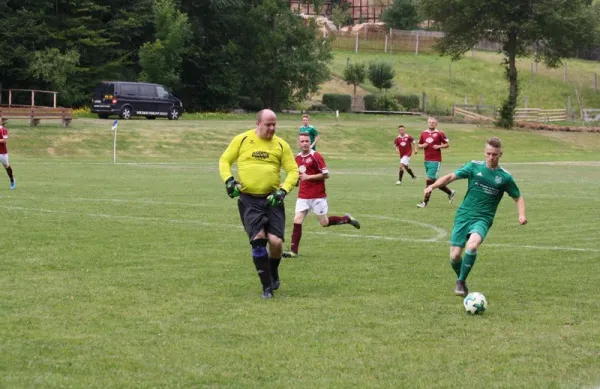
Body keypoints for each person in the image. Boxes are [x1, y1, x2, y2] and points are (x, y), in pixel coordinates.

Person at [424, 137, 527, 297]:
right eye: (488, 153)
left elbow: (518, 197)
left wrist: (521, 215)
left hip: (483, 218)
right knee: (455, 256)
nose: (491, 157)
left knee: (472, 246)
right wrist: (432, 186)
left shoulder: (504, 177)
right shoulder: (473, 167)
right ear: (484, 153)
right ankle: (462, 280)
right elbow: (451, 177)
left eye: (495, 154)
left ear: (501, 154)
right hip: (463, 215)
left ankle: (459, 283)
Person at [219, 109, 299, 299]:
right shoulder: (242, 140)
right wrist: (229, 180)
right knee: (258, 240)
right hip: (249, 200)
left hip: (272, 199)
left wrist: (283, 191)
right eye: (268, 124)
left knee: (276, 242)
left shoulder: (281, 145)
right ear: (258, 123)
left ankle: (273, 271)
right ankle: (267, 288)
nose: (272, 128)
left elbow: (293, 171)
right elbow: (224, 160)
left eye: (274, 124)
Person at [282, 133, 360, 258]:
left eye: (307, 141)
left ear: (310, 142)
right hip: (303, 196)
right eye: (302, 141)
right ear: (298, 143)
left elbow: (326, 174)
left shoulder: (315, 156)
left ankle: (346, 219)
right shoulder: (297, 158)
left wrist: (309, 177)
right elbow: (298, 178)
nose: (305, 143)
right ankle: (293, 251)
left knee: (324, 223)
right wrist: (287, 184)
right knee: (297, 220)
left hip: (317, 195)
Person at [417, 117, 455, 207]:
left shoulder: (439, 133)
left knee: (429, 181)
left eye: (433, 122)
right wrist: (422, 145)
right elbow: (419, 145)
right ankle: (450, 192)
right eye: (430, 122)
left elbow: (447, 144)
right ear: (427, 123)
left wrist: (439, 146)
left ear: (436, 124)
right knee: (434, 181)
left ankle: (424, 203)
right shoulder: (423, 133)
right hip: (426, 160)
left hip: (435, 160)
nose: (431, 123)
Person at [0, 124, 16, 190]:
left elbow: (5, 141)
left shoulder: (3, 130)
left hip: (2, 152)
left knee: (6, 166)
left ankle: (12, 180)